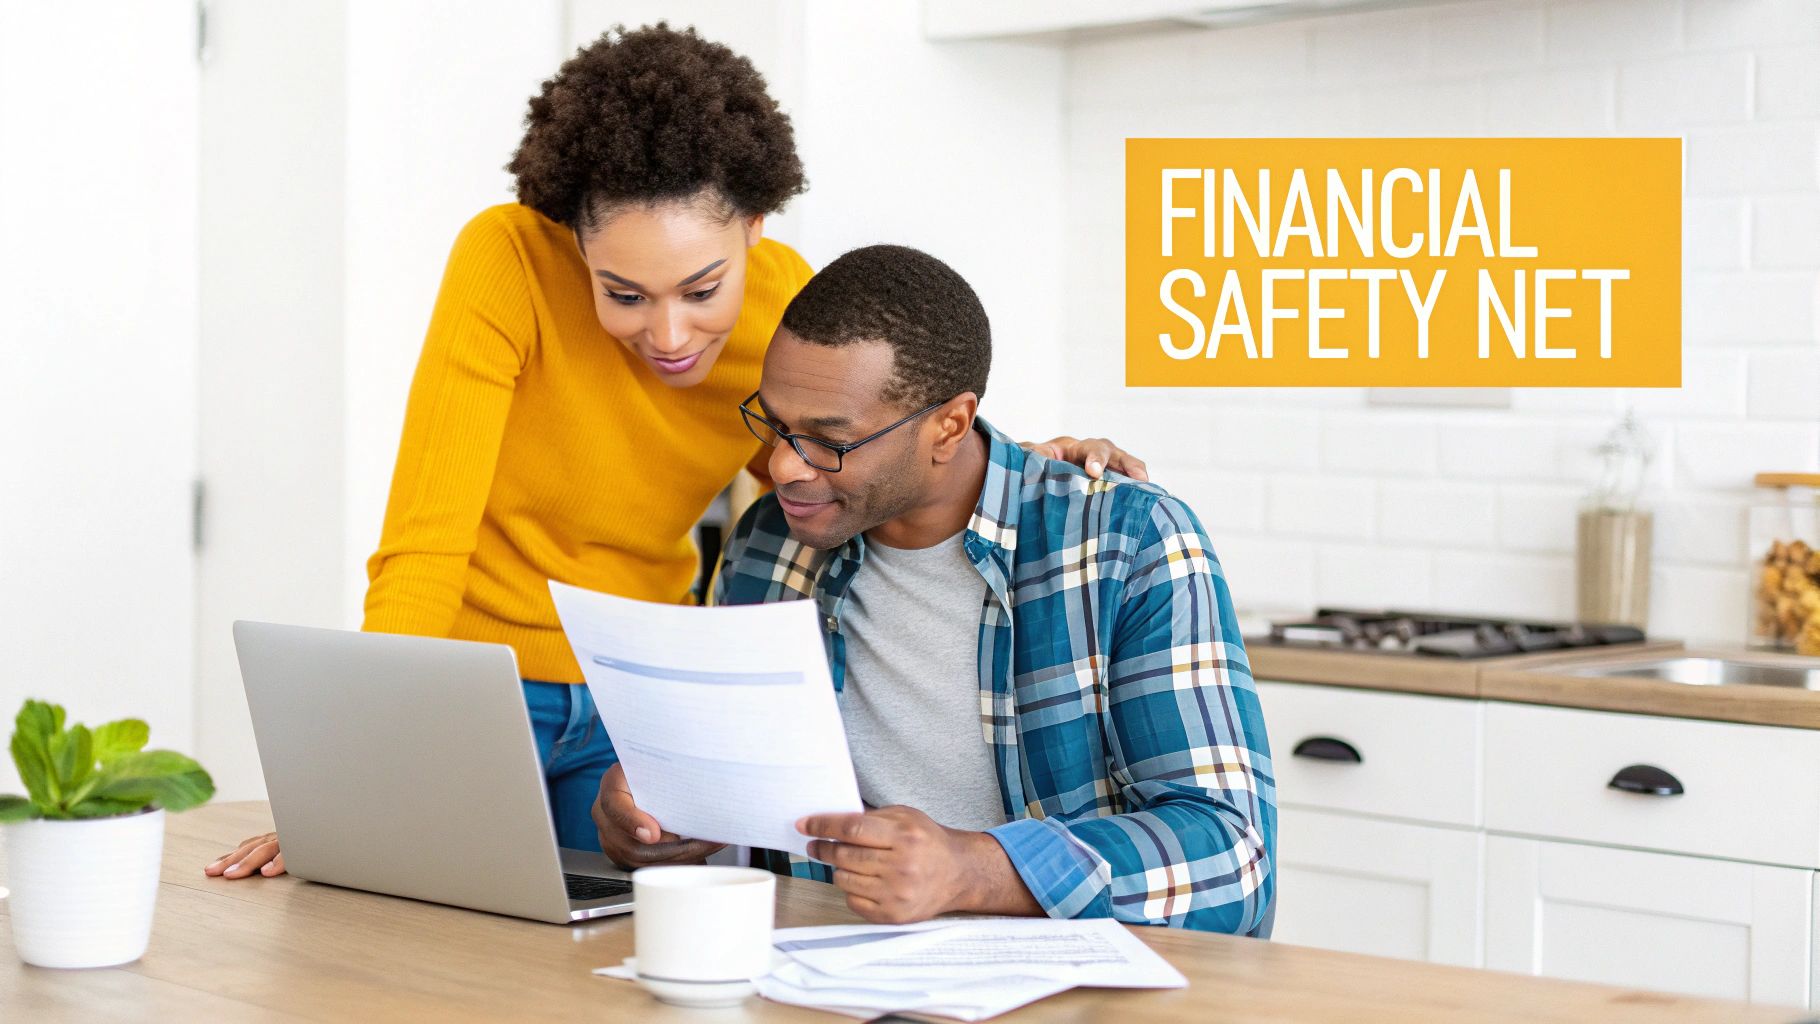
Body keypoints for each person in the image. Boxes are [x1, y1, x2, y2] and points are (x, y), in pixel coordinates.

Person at [206, 25, 1143, 881]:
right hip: (480, 689)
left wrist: (999, 465)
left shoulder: (785, 304)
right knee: (411, 944)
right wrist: (353, 770)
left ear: (755, 230)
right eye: (624, 293)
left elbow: (835, 470)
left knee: (620, 961)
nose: (669, 334)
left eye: (702, 289)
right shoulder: (507, 263)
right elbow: (422, 544)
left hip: (639, 699)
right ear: (576, 244)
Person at [593, 245, 1275, 934]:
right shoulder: (768, 543)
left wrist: (973, 870)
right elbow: (747, 816)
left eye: (828, 441)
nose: (782, 467)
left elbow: (1233, 856)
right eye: (775, 424)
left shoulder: (1127, 542)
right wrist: (663, 818)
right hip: (823, 973)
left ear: (948, 425)